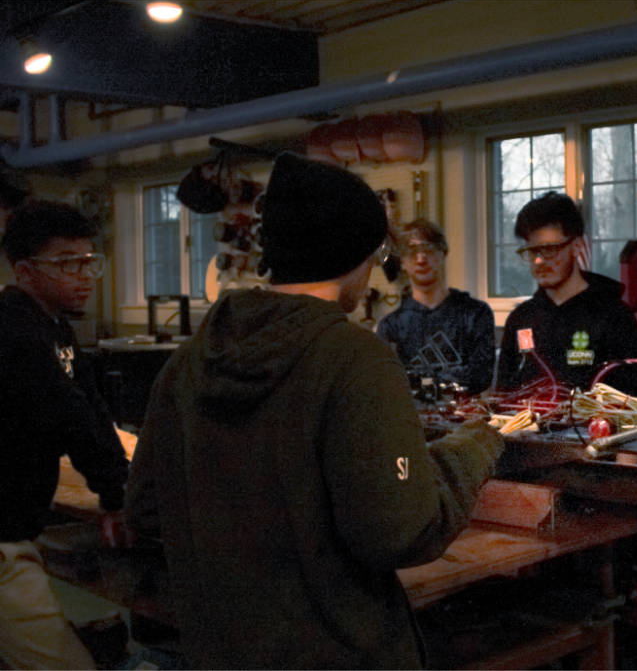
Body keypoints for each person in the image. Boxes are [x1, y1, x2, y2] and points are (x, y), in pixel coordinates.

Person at [125, 153, 504, 669]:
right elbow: (401, 530)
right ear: (356, 253)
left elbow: (146, 507)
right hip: (337, 652)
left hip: (222, 650)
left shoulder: (191, 360)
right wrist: (476, 447)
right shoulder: (353, 356)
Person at [0, 201, 130, 670]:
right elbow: (71, 416)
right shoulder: (15, 331)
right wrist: (116, 495)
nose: (84, 275)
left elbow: (92, 409)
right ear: (26, 271)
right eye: (67, 263)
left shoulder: (55, 327)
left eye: (88, 261)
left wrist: (118, 484)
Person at [496, 191, 637, 393]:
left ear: (576, 246)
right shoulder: (521, 319)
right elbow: (503, 397)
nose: (539, 261)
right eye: (532, 251)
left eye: (549, 249)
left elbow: (636, 402)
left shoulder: (615, 317)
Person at [377, 219, 496, 394]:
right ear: (401, 261)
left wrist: (417, 380)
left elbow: (481, 377)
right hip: (413, 420)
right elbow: (391, 384)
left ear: (443, 254)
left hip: (464, 419)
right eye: (411, 251)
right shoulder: (390, 327)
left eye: (428, 249)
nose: (421, 259)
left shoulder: (475, 314)